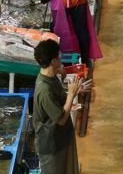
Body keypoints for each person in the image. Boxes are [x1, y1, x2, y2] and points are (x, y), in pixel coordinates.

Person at [33, 39, 93, 174]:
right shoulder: (44, 90)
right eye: (59, 55)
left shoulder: (51, 76)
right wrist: (71, 94)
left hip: (61, 139)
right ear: (53, 61)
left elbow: (60, 99)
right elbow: (61, 119)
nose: (61, 57)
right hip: (51, 145)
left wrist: (77, 89)